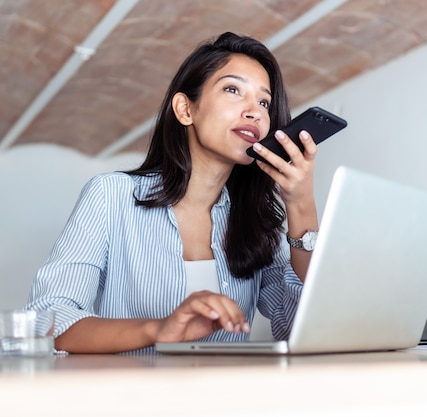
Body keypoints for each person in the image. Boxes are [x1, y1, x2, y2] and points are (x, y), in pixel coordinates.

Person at [25, 32, 320, 354]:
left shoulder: (258, 223)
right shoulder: (112, 196)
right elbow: (48, 320)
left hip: (227, 399)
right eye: (233, 90)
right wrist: (160, 328)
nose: (255, 112)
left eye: (264, 101)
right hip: (133, 398)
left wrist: (301, 204)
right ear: (185, 110)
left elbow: (302, 325)